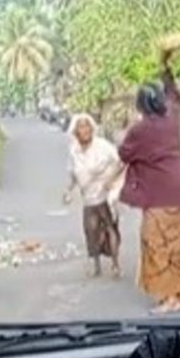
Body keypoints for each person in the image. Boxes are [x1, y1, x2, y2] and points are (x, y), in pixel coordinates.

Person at [115, 51, 180, 314]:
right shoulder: (172, 118)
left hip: (160, 196)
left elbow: (124, 154)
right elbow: (174, 94)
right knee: (179, 242)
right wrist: (165, 66)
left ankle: (168, 299)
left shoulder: (140, 130)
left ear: (140, 105)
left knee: (156, 243)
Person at [63, 113, 123, 278]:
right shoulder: (74, 151)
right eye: (81, 127)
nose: (85, 130)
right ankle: (96, 265)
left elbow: (120, 161)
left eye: (87, 126)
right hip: (88, 197)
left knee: (111, 228)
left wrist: (111, 180)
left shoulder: (102, 146)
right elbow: (73, 175)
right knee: (92, 230)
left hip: (105, 194)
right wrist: (68, 191)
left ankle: (115, 265)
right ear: (75, 132)